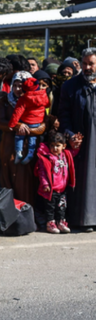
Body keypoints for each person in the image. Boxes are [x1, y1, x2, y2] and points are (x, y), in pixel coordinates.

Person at [59, 48, 96, 230]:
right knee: (84, 180)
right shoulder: (70, 86)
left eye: (91, 64)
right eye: (85, 63)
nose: (87, 67)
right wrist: (70, 134)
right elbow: (63, 116)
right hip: (81, 144)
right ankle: (84, 220)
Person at [0, 71, 45, 205]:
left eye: (21, 86)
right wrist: (18, 126)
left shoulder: (36, 101)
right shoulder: (6, 101)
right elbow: (1, 122)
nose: (18, 89)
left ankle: (26, 216)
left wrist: (30, 129)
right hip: (9, 148)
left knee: (25, 184)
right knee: (8, 181)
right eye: (15, 85)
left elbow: (43, 125)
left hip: (28, 150)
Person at [35, 131, 80, 234]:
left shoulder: (66, 154)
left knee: (62, 207)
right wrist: (45, 184)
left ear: (64, 146)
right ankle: (50, 224)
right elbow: (42, 172)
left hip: (62, 189)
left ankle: (61, 222)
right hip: (50, 190)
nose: (55, 148)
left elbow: (74, 153)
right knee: (50, 208)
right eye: (52, 146)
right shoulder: (47, 158)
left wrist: (77, 146)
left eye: (58, 146)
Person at [8, 77, 49, 165]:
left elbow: (17, 113)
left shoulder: (23, 99)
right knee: (32, 138)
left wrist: (12, 124)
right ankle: (30, 153)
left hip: (26, 121)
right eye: (14, 86)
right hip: (37, 122)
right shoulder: (43, 95)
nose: (17, 89)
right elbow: (47, 104)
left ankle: (18, 152)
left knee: (19, 135)